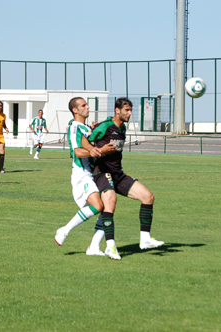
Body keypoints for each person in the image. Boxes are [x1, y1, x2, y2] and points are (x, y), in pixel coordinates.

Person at [88, 97, 164, 260]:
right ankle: (110, 247)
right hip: (102, 172)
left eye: (131, 110)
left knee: (148, 197)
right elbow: (86, 144)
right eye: (127, 110)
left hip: (118, 174)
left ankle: (145, 240)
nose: (130, 113)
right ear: (117, 110)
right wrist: (100, 150)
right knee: (111, 203)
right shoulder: (104, 127)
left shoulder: (122, 128)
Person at [54, 97, 115, 256]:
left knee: (108, 207)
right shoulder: (74, 128)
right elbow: (77, 151)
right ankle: (64, 230)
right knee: (97, 206)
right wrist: (100, 150)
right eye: (83, 105)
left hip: (95, 173)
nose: (87, 107)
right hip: (82, 174)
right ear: (75, 110)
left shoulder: (85, 127)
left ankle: (94, 247)